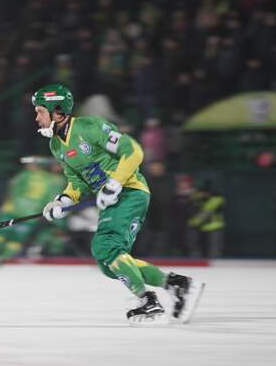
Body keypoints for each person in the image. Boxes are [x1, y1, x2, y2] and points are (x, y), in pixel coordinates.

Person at [31, 84, 204, 325]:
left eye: (40, 111)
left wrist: (115, 183)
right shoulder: (57, 146)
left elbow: (133, 151)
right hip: (112, 199)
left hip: (130, 191)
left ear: (58, 111)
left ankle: (148, 301)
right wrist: (63, 201)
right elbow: (77, 183)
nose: (36, 117)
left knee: (105, 247)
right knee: (108, 263)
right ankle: (177, 284)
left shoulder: (89, 127)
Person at [0, 156, 68, 263]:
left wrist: (4, 205)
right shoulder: (55, 180)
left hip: (13, 208)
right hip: (31, 213)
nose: (28, 166)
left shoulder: (25, 174)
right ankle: (2, 259)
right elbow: (52, 199)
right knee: (17, 238)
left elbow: (12, 190)